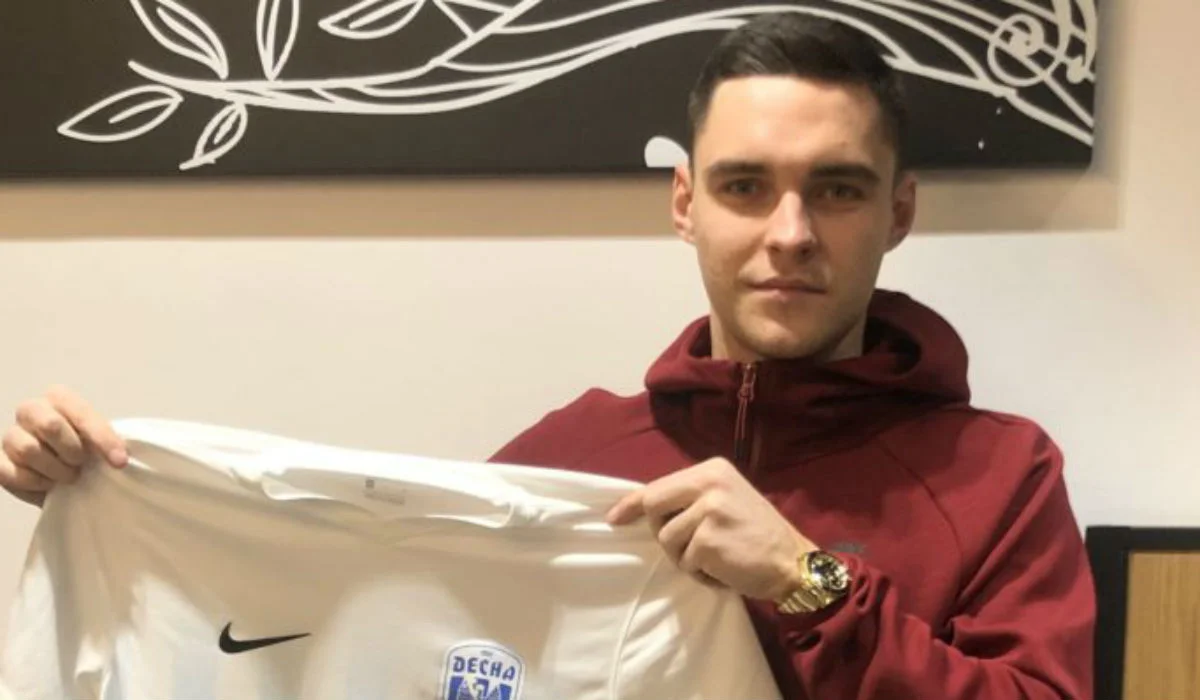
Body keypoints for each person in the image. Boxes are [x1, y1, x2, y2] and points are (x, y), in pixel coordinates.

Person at [0, 12, 1094, 699]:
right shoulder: (575, 450)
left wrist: (808, 583)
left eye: (838, 189)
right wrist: (115, 502)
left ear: (899, 211)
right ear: (685, 203)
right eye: (745, 186)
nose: (792, 233)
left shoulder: (997, 473)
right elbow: (366, 618)